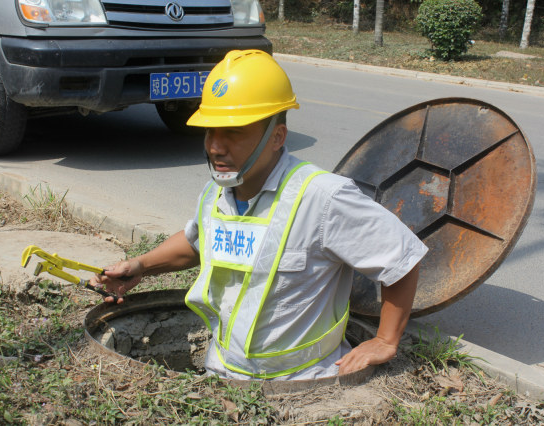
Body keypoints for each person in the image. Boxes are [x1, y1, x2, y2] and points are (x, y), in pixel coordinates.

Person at [92, 50, 428, 380]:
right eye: (211, 130)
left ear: (277, 137)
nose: (215, 147)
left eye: (234, 132)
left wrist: (385, 340)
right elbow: (198, 243)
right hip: (221, 373)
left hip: (301, 386)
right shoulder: (216, 193)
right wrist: (140, 266)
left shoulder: (322, 197)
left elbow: (401, 257)